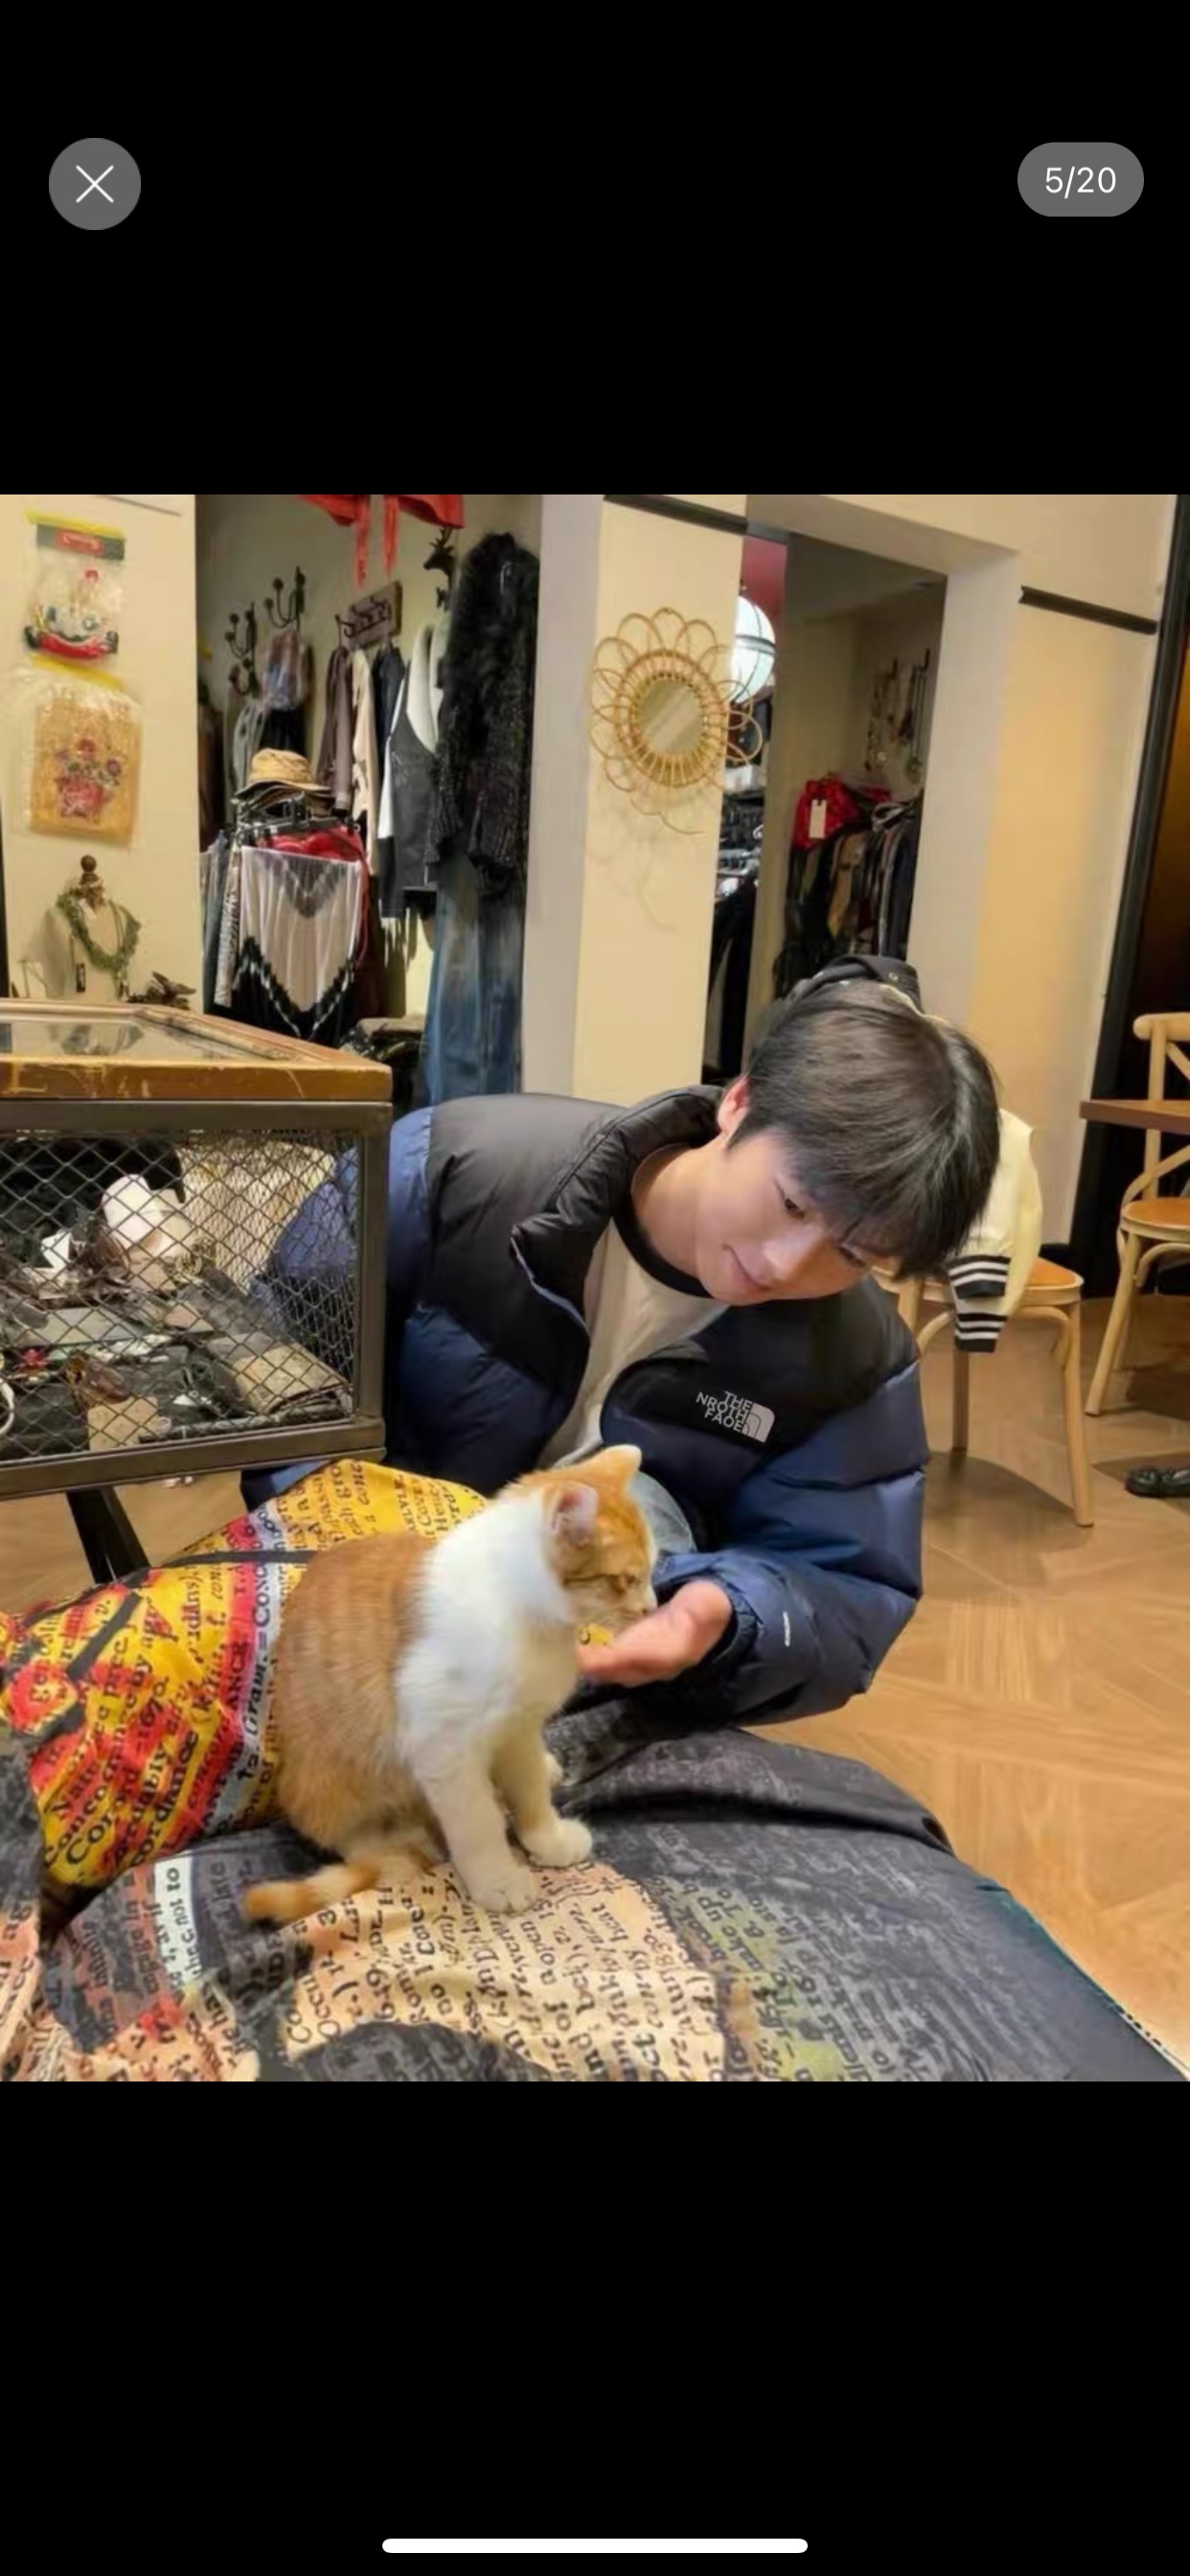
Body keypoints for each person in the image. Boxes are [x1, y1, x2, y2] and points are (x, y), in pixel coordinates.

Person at [257, 958, 1000, 1729]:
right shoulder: (451, 1170)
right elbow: (283, 1366)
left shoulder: (857, 1360)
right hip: (369, 1590)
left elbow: (846, 1585)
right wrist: (366, 1551)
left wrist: (726, 1616)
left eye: (851, 1253)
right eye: (791, 1203)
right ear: (740, 1103)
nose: (786, 1265)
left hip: (594, 1665)